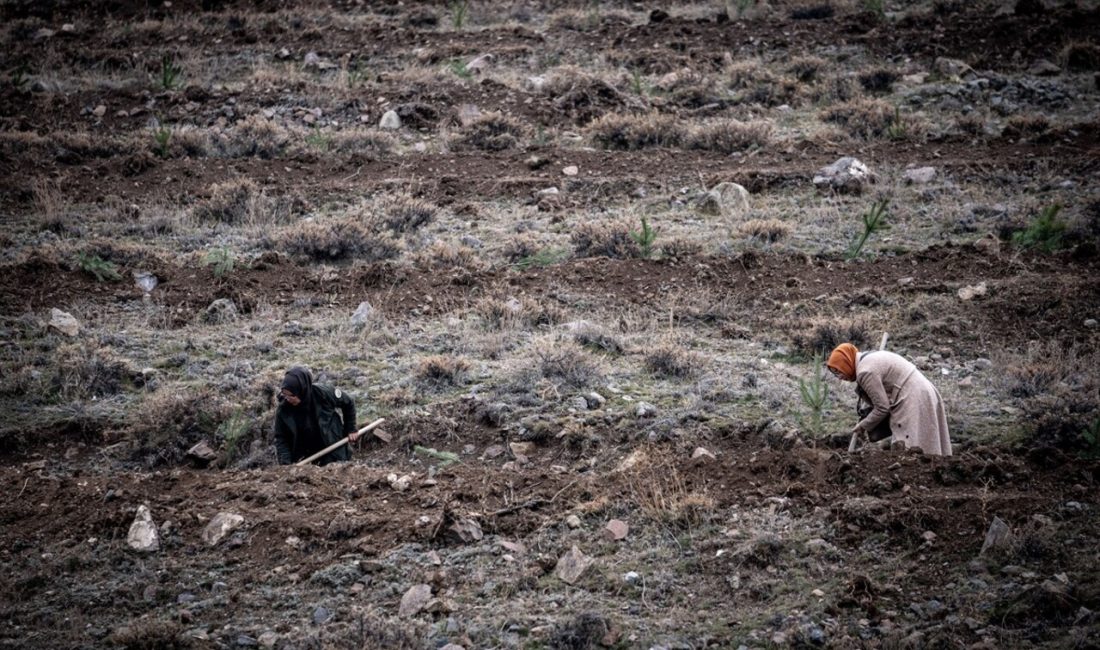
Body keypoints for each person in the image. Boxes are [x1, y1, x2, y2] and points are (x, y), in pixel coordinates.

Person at [826, 343, 952, 456]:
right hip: (922, 391)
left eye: (838, 372)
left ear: (846, 363)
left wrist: (863, 426)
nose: (839, 377)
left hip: (912, 397)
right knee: (923, 446)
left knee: (909, 450)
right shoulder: (868, 358)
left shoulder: (865, 372)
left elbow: (882, 408)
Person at [274, 366, 361, 465]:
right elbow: (281, 438)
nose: (288, 399)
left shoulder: (323, 394)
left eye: (291, 395)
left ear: (302, 390)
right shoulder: (284, 409)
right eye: (285, 395)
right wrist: (286, 464)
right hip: (305, 456)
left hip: (333, 448)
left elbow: (348, 402)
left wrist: (350, 428)